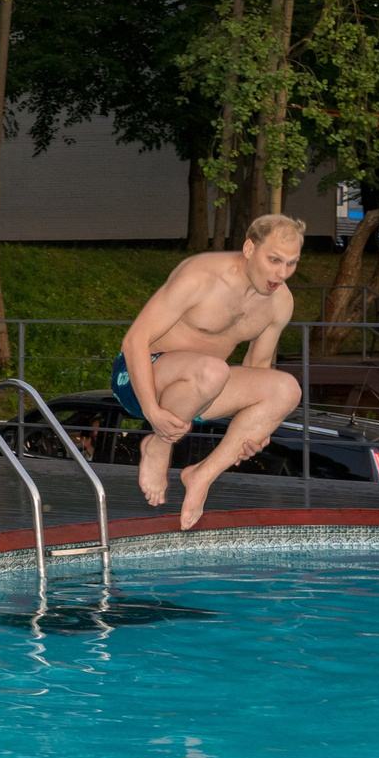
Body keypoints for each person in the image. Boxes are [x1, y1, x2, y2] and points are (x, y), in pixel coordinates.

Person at [113, 212, 306, 530]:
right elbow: (135, 340)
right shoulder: (200, 276)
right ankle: (158, 447)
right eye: (274, 260)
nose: (281, 273)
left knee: (287, 389)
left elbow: (257, 368)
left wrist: (258, 427)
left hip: (201, 393)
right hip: (139, 378)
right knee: (214, 371)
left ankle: (201, 475)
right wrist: (151, 411)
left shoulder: (280, 302)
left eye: (291, 263)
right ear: (249, 249)